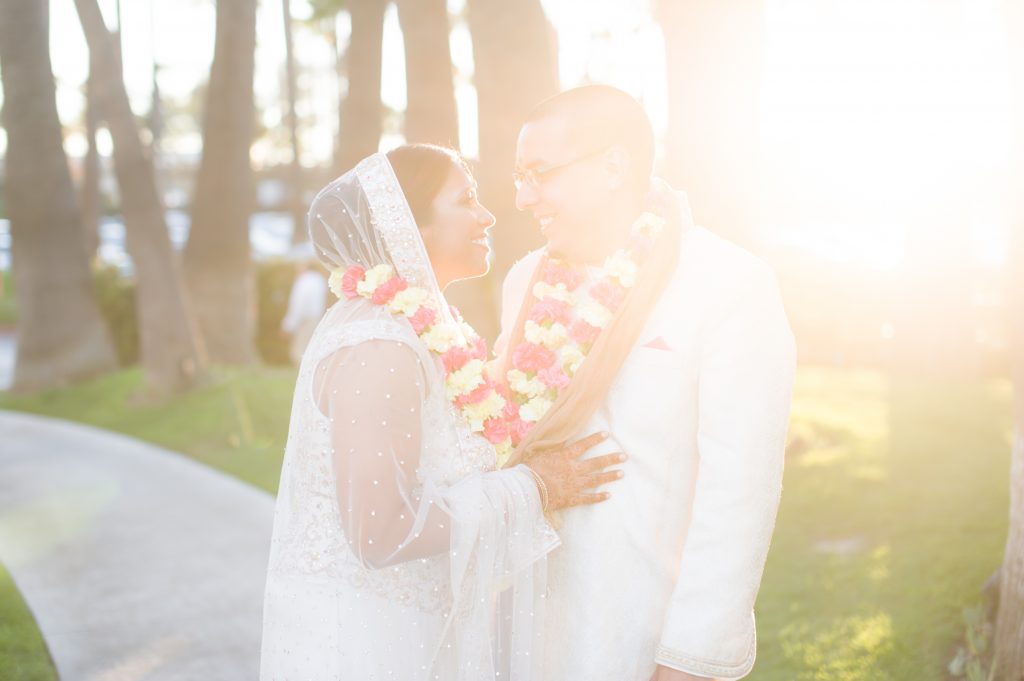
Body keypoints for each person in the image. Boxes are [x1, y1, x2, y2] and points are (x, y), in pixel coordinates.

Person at [259, 144, 626, 681]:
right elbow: (378, 533)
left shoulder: (419, 330)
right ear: (411, 225)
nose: (489, 215)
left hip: (421, 633)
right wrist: (536, 488)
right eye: (467, 199)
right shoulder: (379, 345)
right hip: (372, 647)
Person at [494, 85, 796, 681]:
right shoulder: (526, 278)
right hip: (521, 618)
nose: (524, 197)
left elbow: (739, 489)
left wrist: (692, 656)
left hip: (638, 626)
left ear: (613, 166)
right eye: (517, 176)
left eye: (540, 174)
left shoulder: (727, 282)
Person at [279, 243, 328, 365]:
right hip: (316, 319)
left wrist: (288, 325)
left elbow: (297, 305)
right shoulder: (319, 279)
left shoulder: (303, 281)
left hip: (304, 320)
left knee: (299, 351)